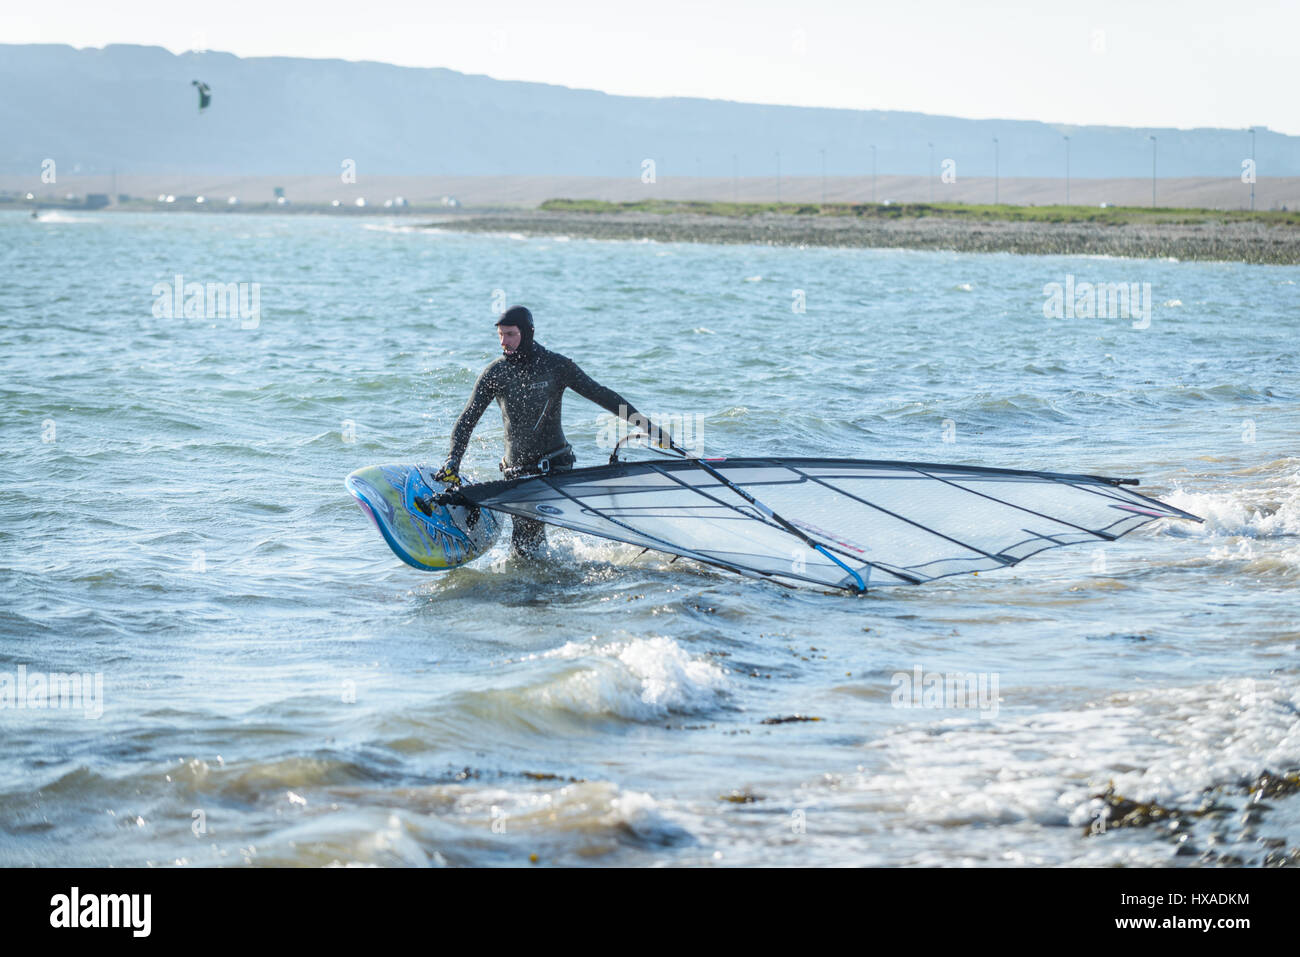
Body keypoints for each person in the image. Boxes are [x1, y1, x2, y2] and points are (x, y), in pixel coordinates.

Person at [435, 305, 668, 554]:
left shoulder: (555, 365)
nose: (504, 342)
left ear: (528, 333)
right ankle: (553, 580)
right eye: (500, 335)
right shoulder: (496, 373)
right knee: (524, 546)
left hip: (555, 466)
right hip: (516, 473)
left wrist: (648, 426)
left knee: (526, 544)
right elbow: (467, 419)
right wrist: (453, 461)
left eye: (511, 334)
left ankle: (546, 584)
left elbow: (601, 395)